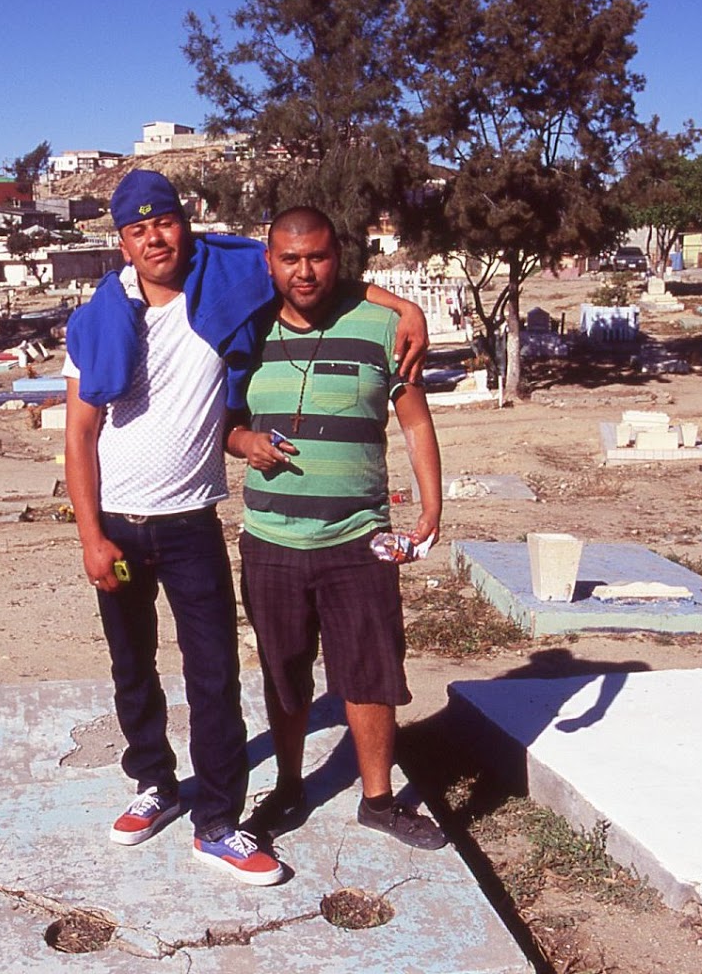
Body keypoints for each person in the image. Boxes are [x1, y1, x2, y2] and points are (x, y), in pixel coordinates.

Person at [63, 171, 429, 886]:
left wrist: (401, 303)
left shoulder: (226, 291)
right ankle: (154, 782)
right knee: (132, 664)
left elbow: (309, 272)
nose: (154, 238)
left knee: (215, 676)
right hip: (118, 525)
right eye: (137, 230)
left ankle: (217, 821)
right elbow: (79, 435)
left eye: (164, 222)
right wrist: (90, 536)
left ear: (184, 223)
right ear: (122, 242)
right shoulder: (95, 321)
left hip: (191, 524)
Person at [228, 205, 447, 851]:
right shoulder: (246, 330)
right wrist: (245, 443)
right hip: (271, 540)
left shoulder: (383, 328)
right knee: (284, 671)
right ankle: (289, 787)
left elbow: (416, 422)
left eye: (318, 257)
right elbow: (221, 424)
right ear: (269, 262)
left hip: (359, 538)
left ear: (339, 259)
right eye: (290, 259)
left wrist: (431, 508)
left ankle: (378, 800)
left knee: (371, 670)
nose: (305, 271)